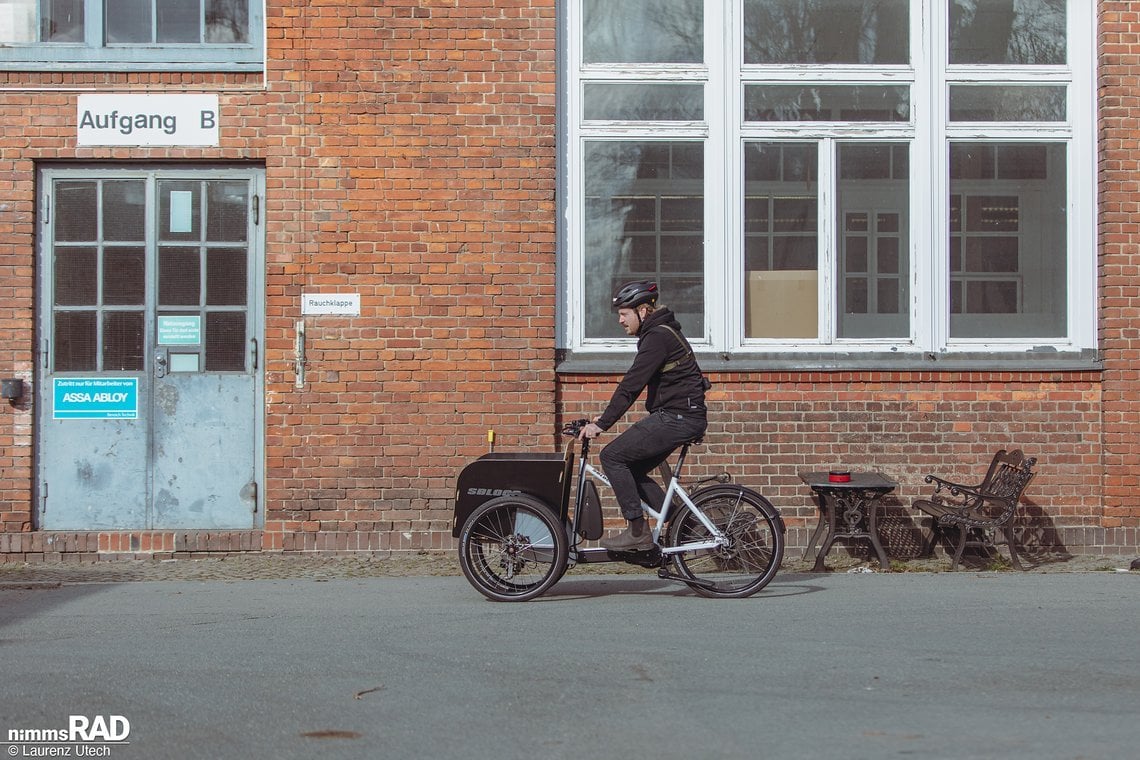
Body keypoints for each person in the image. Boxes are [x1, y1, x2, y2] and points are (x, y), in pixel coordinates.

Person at [579, 280, 710, 551]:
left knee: (612, 456)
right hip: (680, 415)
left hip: (678, 417)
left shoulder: (658, 337)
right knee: (633, 468)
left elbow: (632, 384)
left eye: (624, 314)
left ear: (643, 311)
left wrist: (602, 424)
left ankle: (637, 532)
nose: (620, 320)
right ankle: (681, 525)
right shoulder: (659, 334)